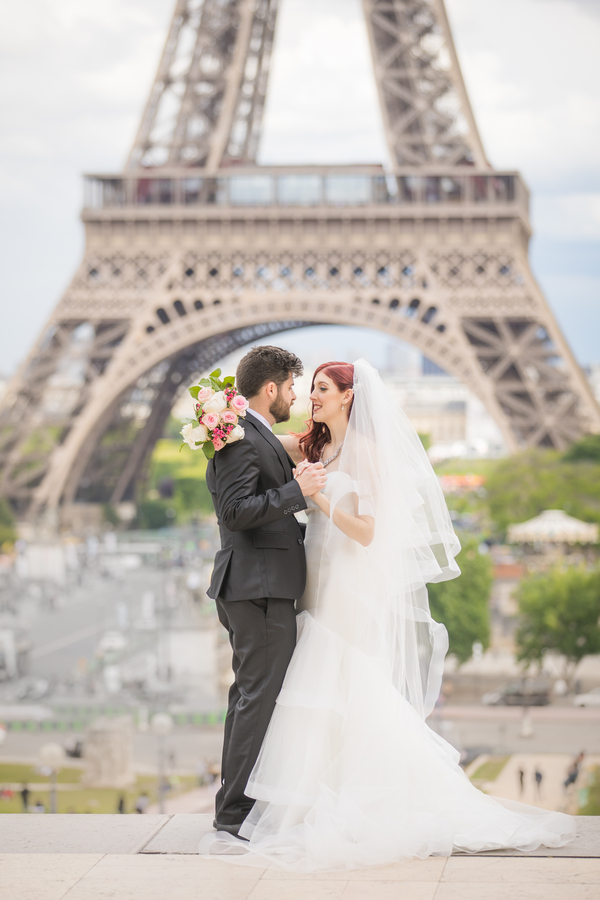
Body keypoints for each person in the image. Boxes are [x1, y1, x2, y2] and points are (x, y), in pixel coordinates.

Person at [201, 359, 575, 872]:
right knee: (300, 693)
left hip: (340, 588)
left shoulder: (365, 452)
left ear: (351, 396)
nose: (308, 395)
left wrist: (318, 500)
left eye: (320, 388)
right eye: (301, 386)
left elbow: (369, 531)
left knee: (333, 685)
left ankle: (309, 803)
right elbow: (263, 454)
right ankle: (286, 803)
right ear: (273, 389)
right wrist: (229, 421)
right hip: (306, 584)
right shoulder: (308, 446)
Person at [205, 346, 327, 836]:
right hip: (258, 586)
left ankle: (238, 805)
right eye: (292, 387)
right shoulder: (240, 437)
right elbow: (234, 511)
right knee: (257, 698)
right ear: (271, 387)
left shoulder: (250, 432)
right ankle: (236, 812)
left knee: (250, 697)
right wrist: (299, 492)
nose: (295, 396)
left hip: (257, 584)